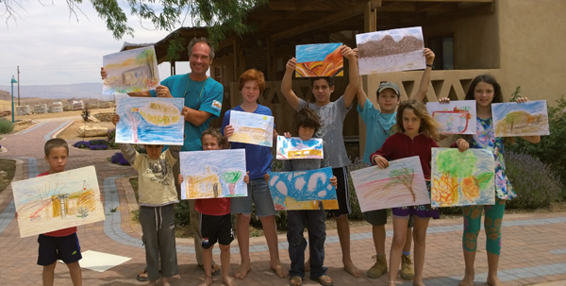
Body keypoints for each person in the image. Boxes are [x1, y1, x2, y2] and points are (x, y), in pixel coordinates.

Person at [101, 37, 224, 278]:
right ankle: (153, 264)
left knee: (198, 215)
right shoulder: (172, 81)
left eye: (204, 57)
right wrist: (112, 80)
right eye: (195, 56)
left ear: (210, 60)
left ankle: (204, 260)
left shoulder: (214, 88)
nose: (199, 61)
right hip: (166, 158)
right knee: (157, 213)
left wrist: (171, 102)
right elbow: (140, 95)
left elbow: (200, 119)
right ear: (190, 57)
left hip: (197, 160)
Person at [437, 75, 540, 286]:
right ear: (472, 93)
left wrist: (527, 109)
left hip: (497, 182)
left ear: (495, 93)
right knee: (471, 229)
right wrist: (444, 109)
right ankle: (469, 274)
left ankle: (493, 275)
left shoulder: (503, 116)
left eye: (488, 91)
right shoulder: (464, 115)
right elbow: (438, 135)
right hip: (470, 182)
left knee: (494, 230)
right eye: (479, 91)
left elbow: (535, 138)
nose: (483, 95)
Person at [281, 45, 362, 277]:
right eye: (316, 87)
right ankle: (311, 262)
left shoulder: (339, 107)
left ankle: (347, 260)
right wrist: (289, 70)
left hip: (335, 165)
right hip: (308, 170)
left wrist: (352, 61)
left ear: (331, 88)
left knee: (341, 215)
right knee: (311, 220)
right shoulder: (306, 108)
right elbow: (286, 91)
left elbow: (354, 85)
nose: (320, 91)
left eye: (324, 87)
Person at [370, 99, 469, 286]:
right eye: (406, 119)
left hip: (425, 192)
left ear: (421, 120)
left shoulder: (427, 141)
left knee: (420, 236)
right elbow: (376, 154)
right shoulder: (394, 140)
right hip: (401, 194)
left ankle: (418, 279)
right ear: (401, 120)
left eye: (414, 119)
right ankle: (391, 281)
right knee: (399, 237)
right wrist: (377, 158)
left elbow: (443, 158)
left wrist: (459, 144)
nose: (410, 123)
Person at [355, 49, 436, 279]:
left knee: (407, 224)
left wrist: (428, 64)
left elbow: (421, 90)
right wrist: (357, 62)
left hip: (405, 175)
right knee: (377, 221)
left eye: (392, 95)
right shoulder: (370, 113)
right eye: (383, 95)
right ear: (378, 98)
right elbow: (358, 89)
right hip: (376, 173)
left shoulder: (405, 117)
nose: (388, 99)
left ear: (399, 101)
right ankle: (381, 259)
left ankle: (406, 258)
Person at [222, 69, 288, 279]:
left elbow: (271, 140)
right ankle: (245, 262)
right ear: (241, 89)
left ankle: (275, 260)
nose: (251, 92)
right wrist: (226, 137)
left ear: (260, 90)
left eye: (255, 88)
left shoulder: (266, 112)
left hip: (263, 174)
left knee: (268, 218)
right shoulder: (230, 115)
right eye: (247, 87)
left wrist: (278, 136)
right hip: (239, 176)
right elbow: (224, 148)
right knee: (242, 218)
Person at [112, 114, 181, 286]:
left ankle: (165, 278)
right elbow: (126, 148)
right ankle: (153, 278)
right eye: (149, 147)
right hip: (147, 210)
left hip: (166, 207)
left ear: (163, 145)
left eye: (157, 146)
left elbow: (176, 143)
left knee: (167, 245)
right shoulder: (140, 160)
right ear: (144, 146)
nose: (154, 150)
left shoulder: (168, 158)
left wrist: (179, 119)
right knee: (150, 245)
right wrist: (118, 127)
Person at [179, 128, 247, 286]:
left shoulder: (227, 161)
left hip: (224, 212)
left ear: (220, 145)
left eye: (212, 144)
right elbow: (189, 183)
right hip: (206, 213)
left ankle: (225, 275)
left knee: (225, 246)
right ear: (201, 146)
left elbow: (237, 179)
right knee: (207, 246)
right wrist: (183, 179)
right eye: (205, 144)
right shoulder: (195, 164)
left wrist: (244, 179)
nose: (209, 147)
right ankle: (208, 277)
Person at [282, 108, 337, 286]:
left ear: (315, 129)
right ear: (297, 127)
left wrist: (332, 181)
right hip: (295, 200)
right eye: (303, 128)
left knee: (318, 233)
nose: (307, 132)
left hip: (317, 199)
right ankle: (296, 271)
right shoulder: (289, 145)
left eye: (310, 128)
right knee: (295, 235)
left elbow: (326, 169)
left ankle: (317, 270)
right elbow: (286, 172)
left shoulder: (321, 145)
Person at [32, 139, 84, 286]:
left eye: (63, 157)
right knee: (48, 266)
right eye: (55, 158)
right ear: (46, 158)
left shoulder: (74, 180)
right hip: (47, 235)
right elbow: (33, 205)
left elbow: (82, 200)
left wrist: (93, 199)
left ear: (67, 156)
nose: (60, 161)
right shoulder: (39, 180)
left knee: (73, 264)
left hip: (68, 234)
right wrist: (24, 213)